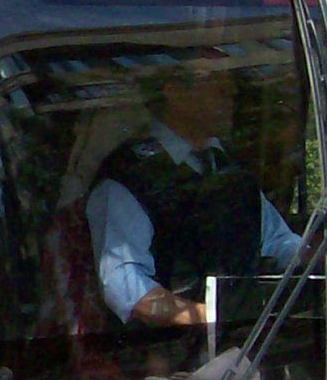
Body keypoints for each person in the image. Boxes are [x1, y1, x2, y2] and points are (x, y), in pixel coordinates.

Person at [85, 64, 299, 331]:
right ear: (175, 92)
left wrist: (325, 254)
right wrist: (210, 317)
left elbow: (277, 242)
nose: (231, 91)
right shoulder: (128, 175)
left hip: (246, 344)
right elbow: (125, 286)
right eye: (216, 81)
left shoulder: (230, 167)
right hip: (166, 349)